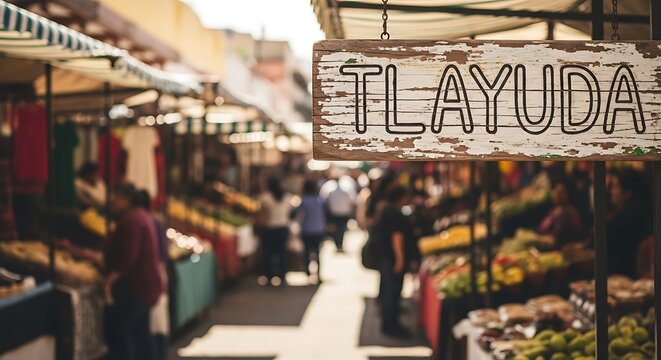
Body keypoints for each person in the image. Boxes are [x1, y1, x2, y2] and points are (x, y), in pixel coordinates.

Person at [104, 182, 163, 360]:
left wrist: (110, 279)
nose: (112, 200)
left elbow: (129, 256)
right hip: (144, 286)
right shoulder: (141, 216)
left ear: (126, 199)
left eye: (117, 196)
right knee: (141, 335)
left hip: (135, 287)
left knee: (121, 335)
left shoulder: (132, 221)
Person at [372, 186, 410, 338]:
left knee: (389, 291)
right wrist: (400, 260)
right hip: (391, 258)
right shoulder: (394, 213)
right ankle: (391, 325)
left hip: (384, 257)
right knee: (392, 293)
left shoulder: (384, 210)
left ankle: (389, 323)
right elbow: (397, 239)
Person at [136, 190, 169, 360]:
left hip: (152, 276)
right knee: (156, 325)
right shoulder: (153, 222)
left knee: (154, 325)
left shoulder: (145, 223)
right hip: (157, 275)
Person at [606, 169, 652, 278]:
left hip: (625, 277)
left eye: (615, 186)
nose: (611, 191)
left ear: (628, 192)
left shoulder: (623, 219)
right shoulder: (644, 212)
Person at [257, 177, 292, 286]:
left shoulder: (265, 198)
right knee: (281, 252)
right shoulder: (287, 197)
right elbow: (289, 212)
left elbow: (261, 213)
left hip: (269, 229)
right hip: (283, 228)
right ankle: (282, 275)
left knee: (267, 253)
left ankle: (268, 275)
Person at [295, 179, 326, 283]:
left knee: (307, 252)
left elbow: (299, 215)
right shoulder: (320, 200)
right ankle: (318, 274)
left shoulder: (304, 201)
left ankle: (308, 272)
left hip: (307, 229)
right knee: (317, 253)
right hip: (318, 229)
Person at [537, 181, 582, 247]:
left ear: (567, 195)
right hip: (542, 241)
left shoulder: (569, 211)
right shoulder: (553, 210)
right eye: (555, 191)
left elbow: (562, 236)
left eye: (560, 193)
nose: (556, 195)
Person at [323, 176, 355, 253]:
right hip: (342, 213)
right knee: (341, 230)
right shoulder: (343, 191)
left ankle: (338, 244)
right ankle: (339, 244)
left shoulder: (332, 192)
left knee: (338, 230)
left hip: (337, 213)